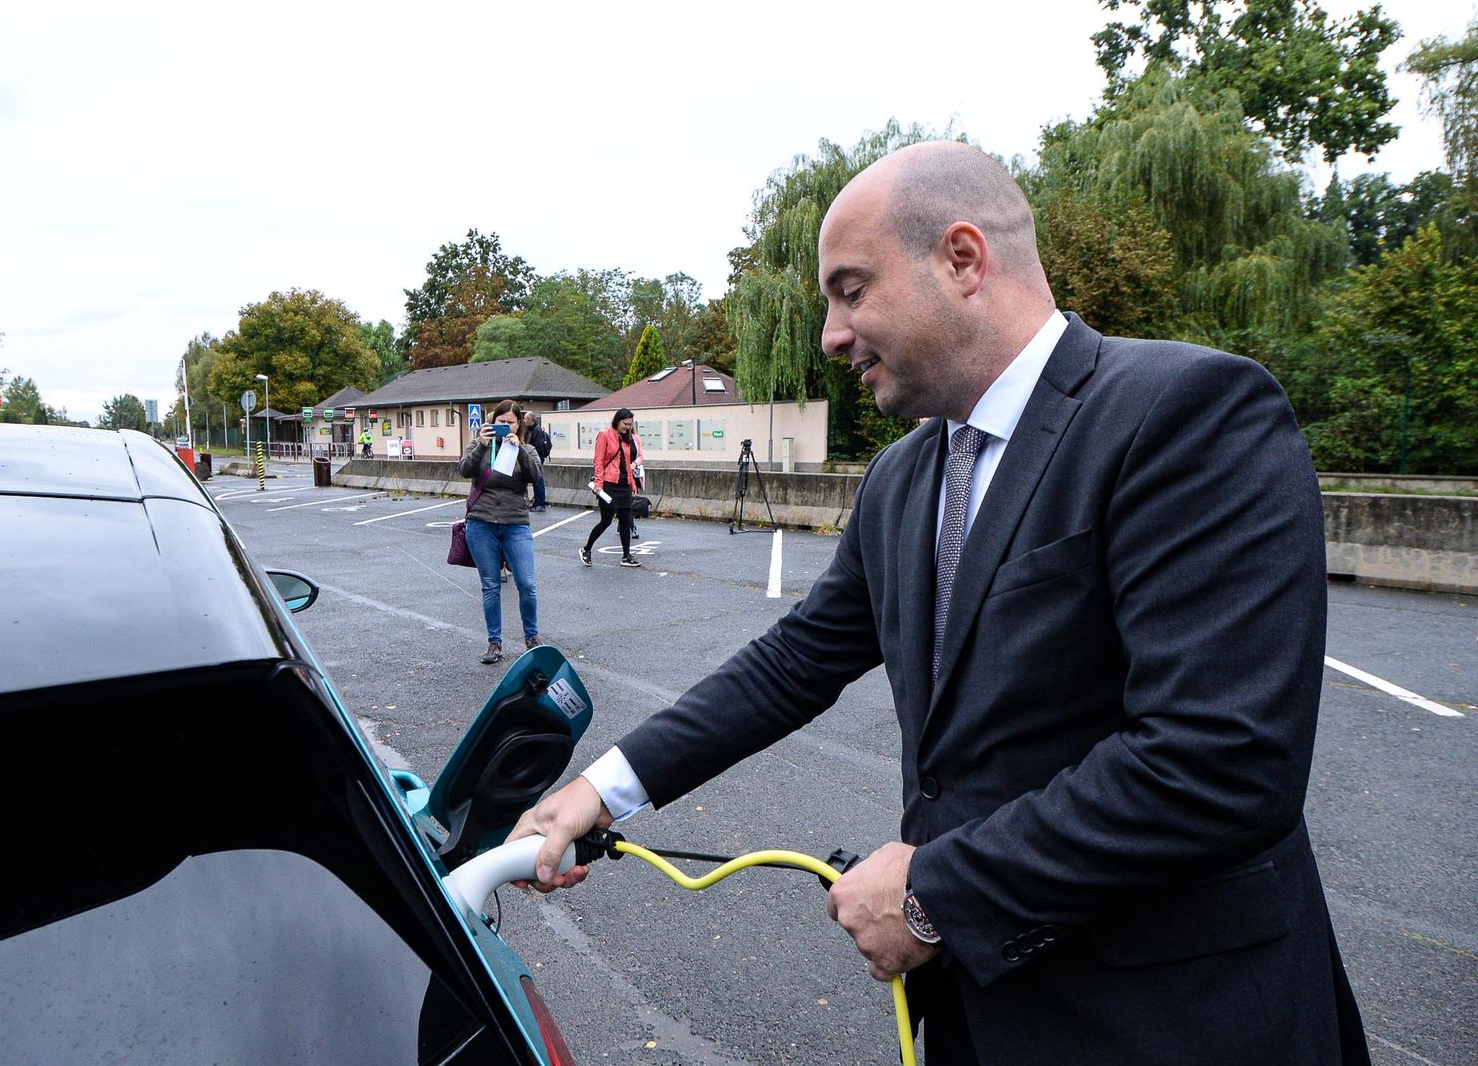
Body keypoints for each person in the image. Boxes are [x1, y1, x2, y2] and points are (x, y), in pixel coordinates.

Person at [509, 142, 1368, 1065]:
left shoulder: (1187, 411)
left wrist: (940, 892)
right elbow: (799, 658)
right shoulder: (905, 474)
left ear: (962, 260)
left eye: (850, 290)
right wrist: (599, 792)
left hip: (1179, 1018)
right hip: (978, 1011)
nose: (832, 335)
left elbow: (1222, 761)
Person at [457, 399, 543, 664]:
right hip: (481, 522)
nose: (505, 427)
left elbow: (536, 476)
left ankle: (532, 637)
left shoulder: (527, 448)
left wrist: (519, 451)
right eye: (501, 422)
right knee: (491, 585)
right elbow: (463, 470)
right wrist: (482, 444)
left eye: (510, 423)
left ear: (519, 425)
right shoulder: (479, 445)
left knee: (527, 584)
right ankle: (494, 642)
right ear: (492, 421)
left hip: (515, 522)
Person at [579, 408, 642, 569]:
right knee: (606, 521)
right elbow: (598, 461)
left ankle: (626, 556)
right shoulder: (605, 435)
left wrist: (632, 483)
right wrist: (598, 486)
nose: (627, 427)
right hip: (608, 484)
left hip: (624, 485)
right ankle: (586, 549)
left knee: (626, 519)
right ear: (617, 420)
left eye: (630, 424)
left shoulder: (627, 437)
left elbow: (628, 464)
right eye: (625, 423)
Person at [524, 410, 552, 511]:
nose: (524, 421)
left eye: (526, 419)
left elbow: (538, 446)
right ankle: (537, 503)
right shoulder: (531, 429)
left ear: (531, 420)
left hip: (537, 458)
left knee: (538, 481)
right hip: (535, 458)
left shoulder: (536, 430)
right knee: (536, 481)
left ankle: (540, 504)